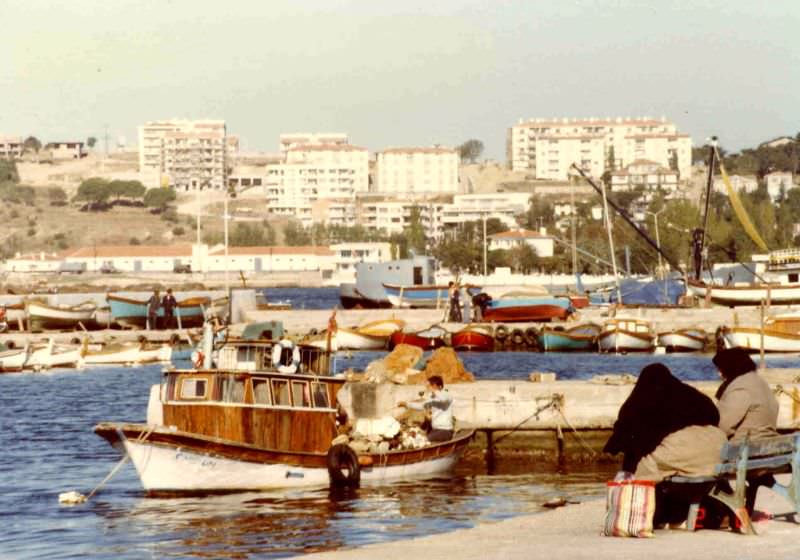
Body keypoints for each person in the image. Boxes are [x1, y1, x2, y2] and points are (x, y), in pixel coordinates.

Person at [603, 363, 727, 525]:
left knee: (646, 466)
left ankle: (652, 514)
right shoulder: (690, 395)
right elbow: (714, 415)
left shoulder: (646, 400)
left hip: (687, 455)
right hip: (717, 453)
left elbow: (630, 434)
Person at [712, 347, 779, 515]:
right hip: (768, 450)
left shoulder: (740, 388)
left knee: (700, 455)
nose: (719, 374)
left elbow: (722, 425)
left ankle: (718, 510)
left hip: (746, 453)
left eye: (720, 368)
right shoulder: (758, 382)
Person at [398, 375, 454, 443]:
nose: (428, 389)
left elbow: (443, 398)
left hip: (445, 431)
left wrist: (434, 390)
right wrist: (406, 404)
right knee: (418, 438)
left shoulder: (447, 394)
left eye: (430, 386)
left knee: (423, 440)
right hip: (436, 430)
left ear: (436, 386)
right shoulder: (432, 398)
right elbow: (422, 406)